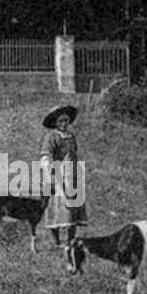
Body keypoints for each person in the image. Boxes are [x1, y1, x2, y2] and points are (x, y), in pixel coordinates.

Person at [41, 104, 87, 246]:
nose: (63, 124)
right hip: (59, 173)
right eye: (60, 121)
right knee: (58, 205)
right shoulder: (52, 137)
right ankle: (56, 240)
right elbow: (46, 156)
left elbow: (74, 153)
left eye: (66, 121)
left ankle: (70, 240)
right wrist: (51, 175)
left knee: (73, 206)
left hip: (72, 173)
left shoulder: (71, 136)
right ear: (55, 123)